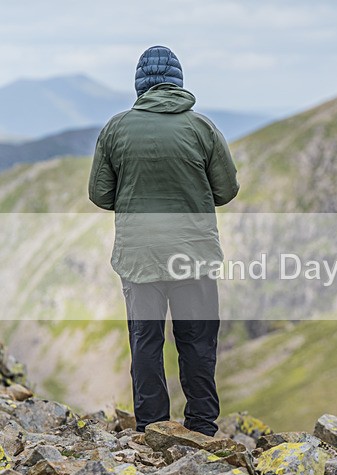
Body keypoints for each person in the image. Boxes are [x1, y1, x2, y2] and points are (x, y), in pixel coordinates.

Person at [89, 46, 239, 436]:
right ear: (178, 82)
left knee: (146, 341)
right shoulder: (202, 128)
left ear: (139, 84)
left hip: (139, 257)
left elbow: (100, 195)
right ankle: (203, 426)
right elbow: (225, 191)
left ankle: (152, 428)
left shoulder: (116, 129)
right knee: (197, 342)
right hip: (194, 255)